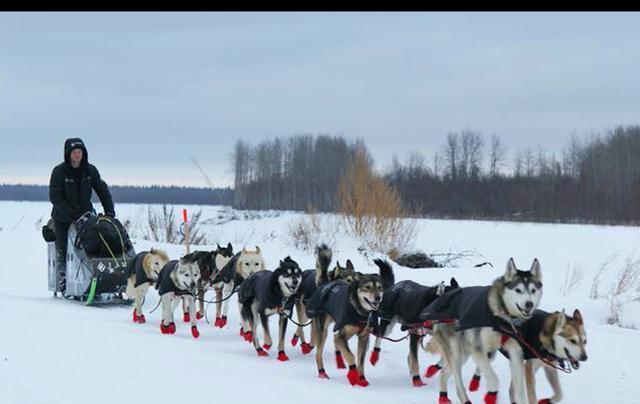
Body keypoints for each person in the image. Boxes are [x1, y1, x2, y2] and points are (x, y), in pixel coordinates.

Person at [49, 138, 115, 295]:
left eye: (80, 152)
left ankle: (92, 277)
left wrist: (109, 211)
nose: (77, 155)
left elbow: (102, 190)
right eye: (74, 152)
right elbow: (55, 196)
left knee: (90, 245)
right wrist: (70, 214)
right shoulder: (59, 171)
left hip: (85, 216)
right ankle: (63, 279)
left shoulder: (90, 170)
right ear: (68, 154)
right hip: (63, 217)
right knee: (64, 247)